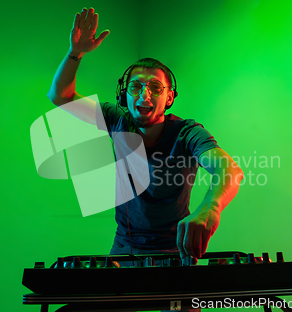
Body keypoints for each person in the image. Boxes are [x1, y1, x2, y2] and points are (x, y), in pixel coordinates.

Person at [47, 7, 243, 262]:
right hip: (124, 245)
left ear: (170, 97)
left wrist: (210, 209)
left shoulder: (188, 133)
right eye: (136, 86)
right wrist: (75, 54)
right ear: (124, 95)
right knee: (107, 303)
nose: (144, 94)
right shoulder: (116, 119)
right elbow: (60, 96)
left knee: (181, 304)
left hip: (177, 248)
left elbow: (229, 170)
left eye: (155, 87)